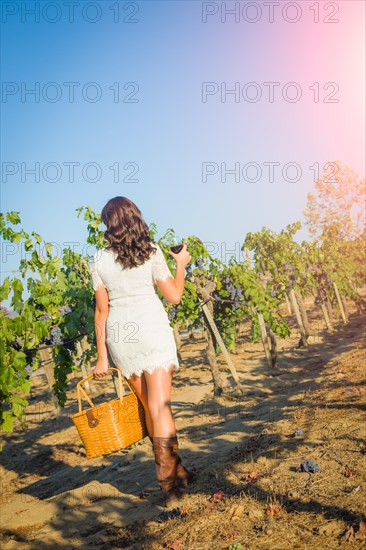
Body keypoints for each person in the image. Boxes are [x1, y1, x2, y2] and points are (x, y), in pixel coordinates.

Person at [89, 196, 197, 506]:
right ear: (135, 218)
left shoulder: (98, 260)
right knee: (160, 407)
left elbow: (101, 311)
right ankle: (169, 485)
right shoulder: (151, 253)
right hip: (151, 331)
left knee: (149, 409)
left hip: (121, 338)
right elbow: (174, 296)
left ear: (109, 225)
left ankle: (176, 473)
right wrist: (181, 265)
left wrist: (101, 356)